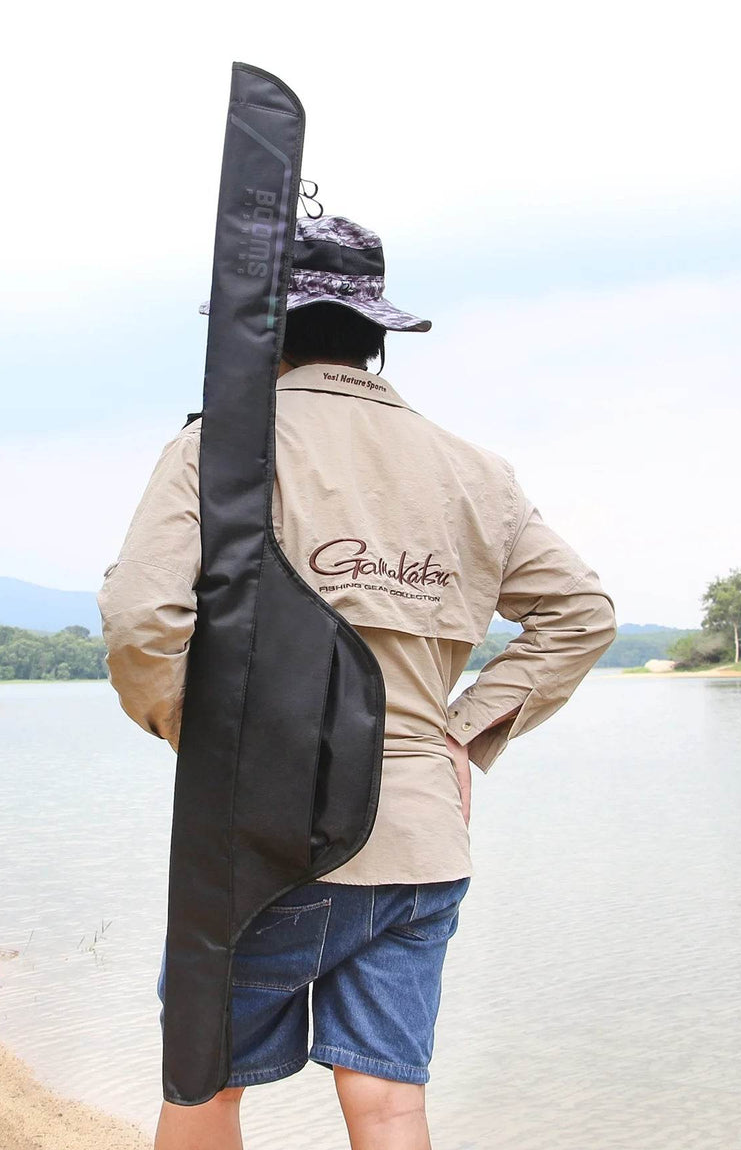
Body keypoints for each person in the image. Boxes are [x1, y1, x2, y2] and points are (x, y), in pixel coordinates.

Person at [98, 214, 617, 1150]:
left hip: (266, 840)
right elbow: (581, 615)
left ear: (260, 331)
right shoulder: (476, 471)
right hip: (423, 842)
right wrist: (458, 732)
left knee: (205, 1091)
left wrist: (200, 735)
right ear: (377, 334)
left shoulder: (222, 449)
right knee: (389, 1104)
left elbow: (143, 619)